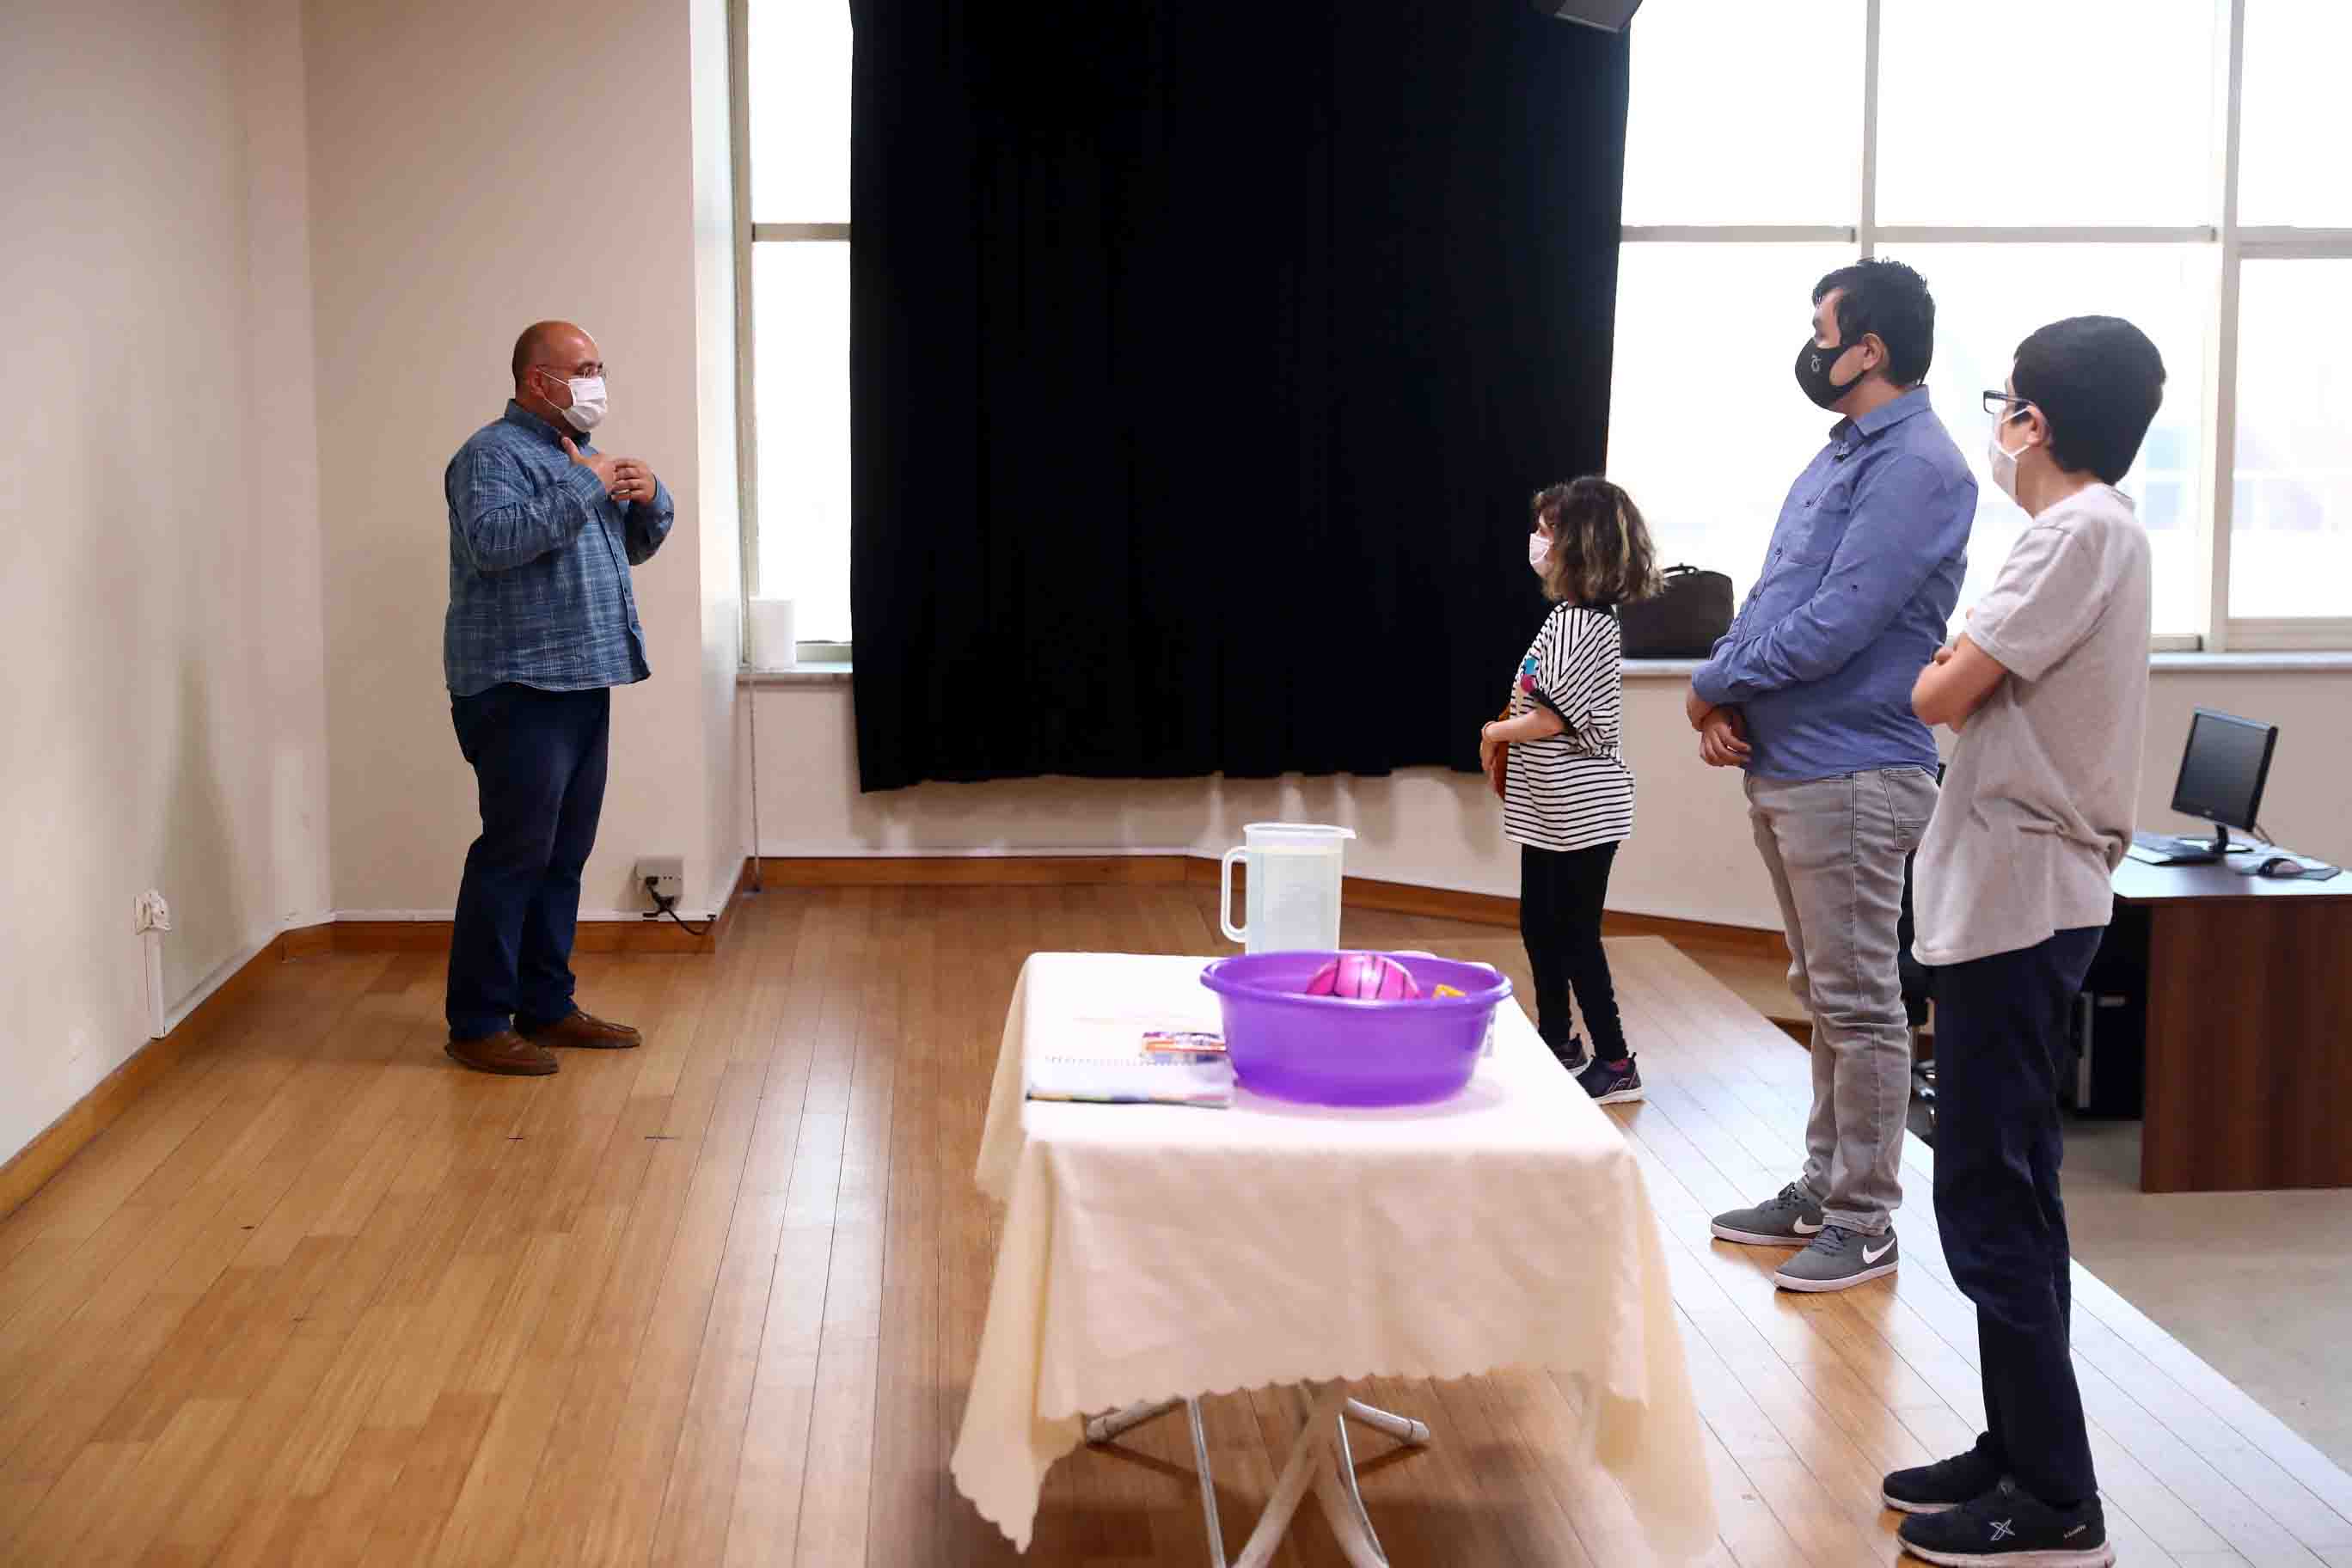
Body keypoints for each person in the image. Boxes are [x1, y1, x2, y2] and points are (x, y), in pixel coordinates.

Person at [1883, 316, 2164, 1566]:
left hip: (2021, 899)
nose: (1997, 424)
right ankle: (2019, 1447)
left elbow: (1938, 690)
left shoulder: (2073, 534)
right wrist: (1960, 658)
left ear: (2032, 421)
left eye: (2003, 402)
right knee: (2012, 1185)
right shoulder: (2093, 534)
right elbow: (1960, 680)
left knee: (1990, 1194)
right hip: (2018, 895)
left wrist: (1954, 658)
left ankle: (2054, 1496)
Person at [1687, 258, 1975, 1291]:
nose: (1812, 349)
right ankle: (1823, 1188)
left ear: (1870, 349)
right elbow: (1778, 595)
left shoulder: (1920, 467)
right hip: (1794, 764)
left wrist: (1711, 684)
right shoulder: (1843, 454)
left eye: (1823, 332)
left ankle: (1865, 1218)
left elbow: (1841, 621)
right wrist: (1726, 692)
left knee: (1861, 1004)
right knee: (1826, 993)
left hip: (1855, 769)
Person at [440, 322, 673, 1075]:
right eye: (584, 368)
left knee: (563, 855)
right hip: (517, 689)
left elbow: (626, 548)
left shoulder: (578, 456)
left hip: (581, 680)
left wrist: (648, 498)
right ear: (538, 380)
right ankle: (478, 1024)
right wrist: (588, 484)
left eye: (600, 366)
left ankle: (545, 1005)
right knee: (514, 854)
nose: (597, 382)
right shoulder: (490, 455)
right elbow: (494, 543)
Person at [1480, 477, 1660, 1105]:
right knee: (1538, 925)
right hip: (1546, 808)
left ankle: (1616, 1061)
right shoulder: (1564, 617)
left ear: (1580, 544)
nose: (1538, 541)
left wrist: (1493, 732)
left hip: (1583, 811)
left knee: (1576, 934)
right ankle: (1558, 1041)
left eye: (1547, 531)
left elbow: (1551, 717)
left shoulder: (1590, 626)